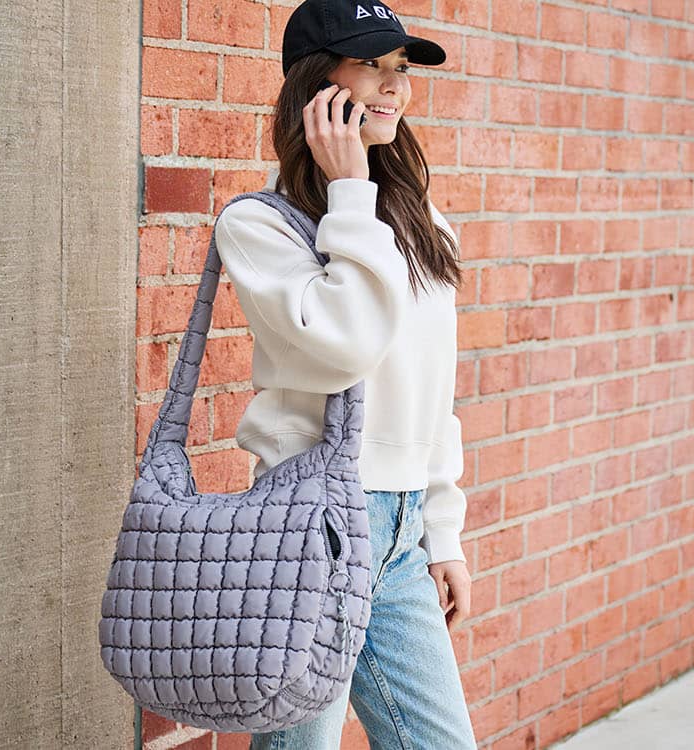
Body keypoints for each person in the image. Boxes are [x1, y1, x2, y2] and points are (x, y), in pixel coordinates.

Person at [210, 1, 478, 747]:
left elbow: (433, 389)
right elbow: (344, 349)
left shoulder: (424, 224)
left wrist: (442, 532)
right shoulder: (262, 225)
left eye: (401, 71)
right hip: (312, 524)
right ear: (315, 85)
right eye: (372, 66)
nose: (394, 89)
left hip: (398, 533)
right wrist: (350, 192)